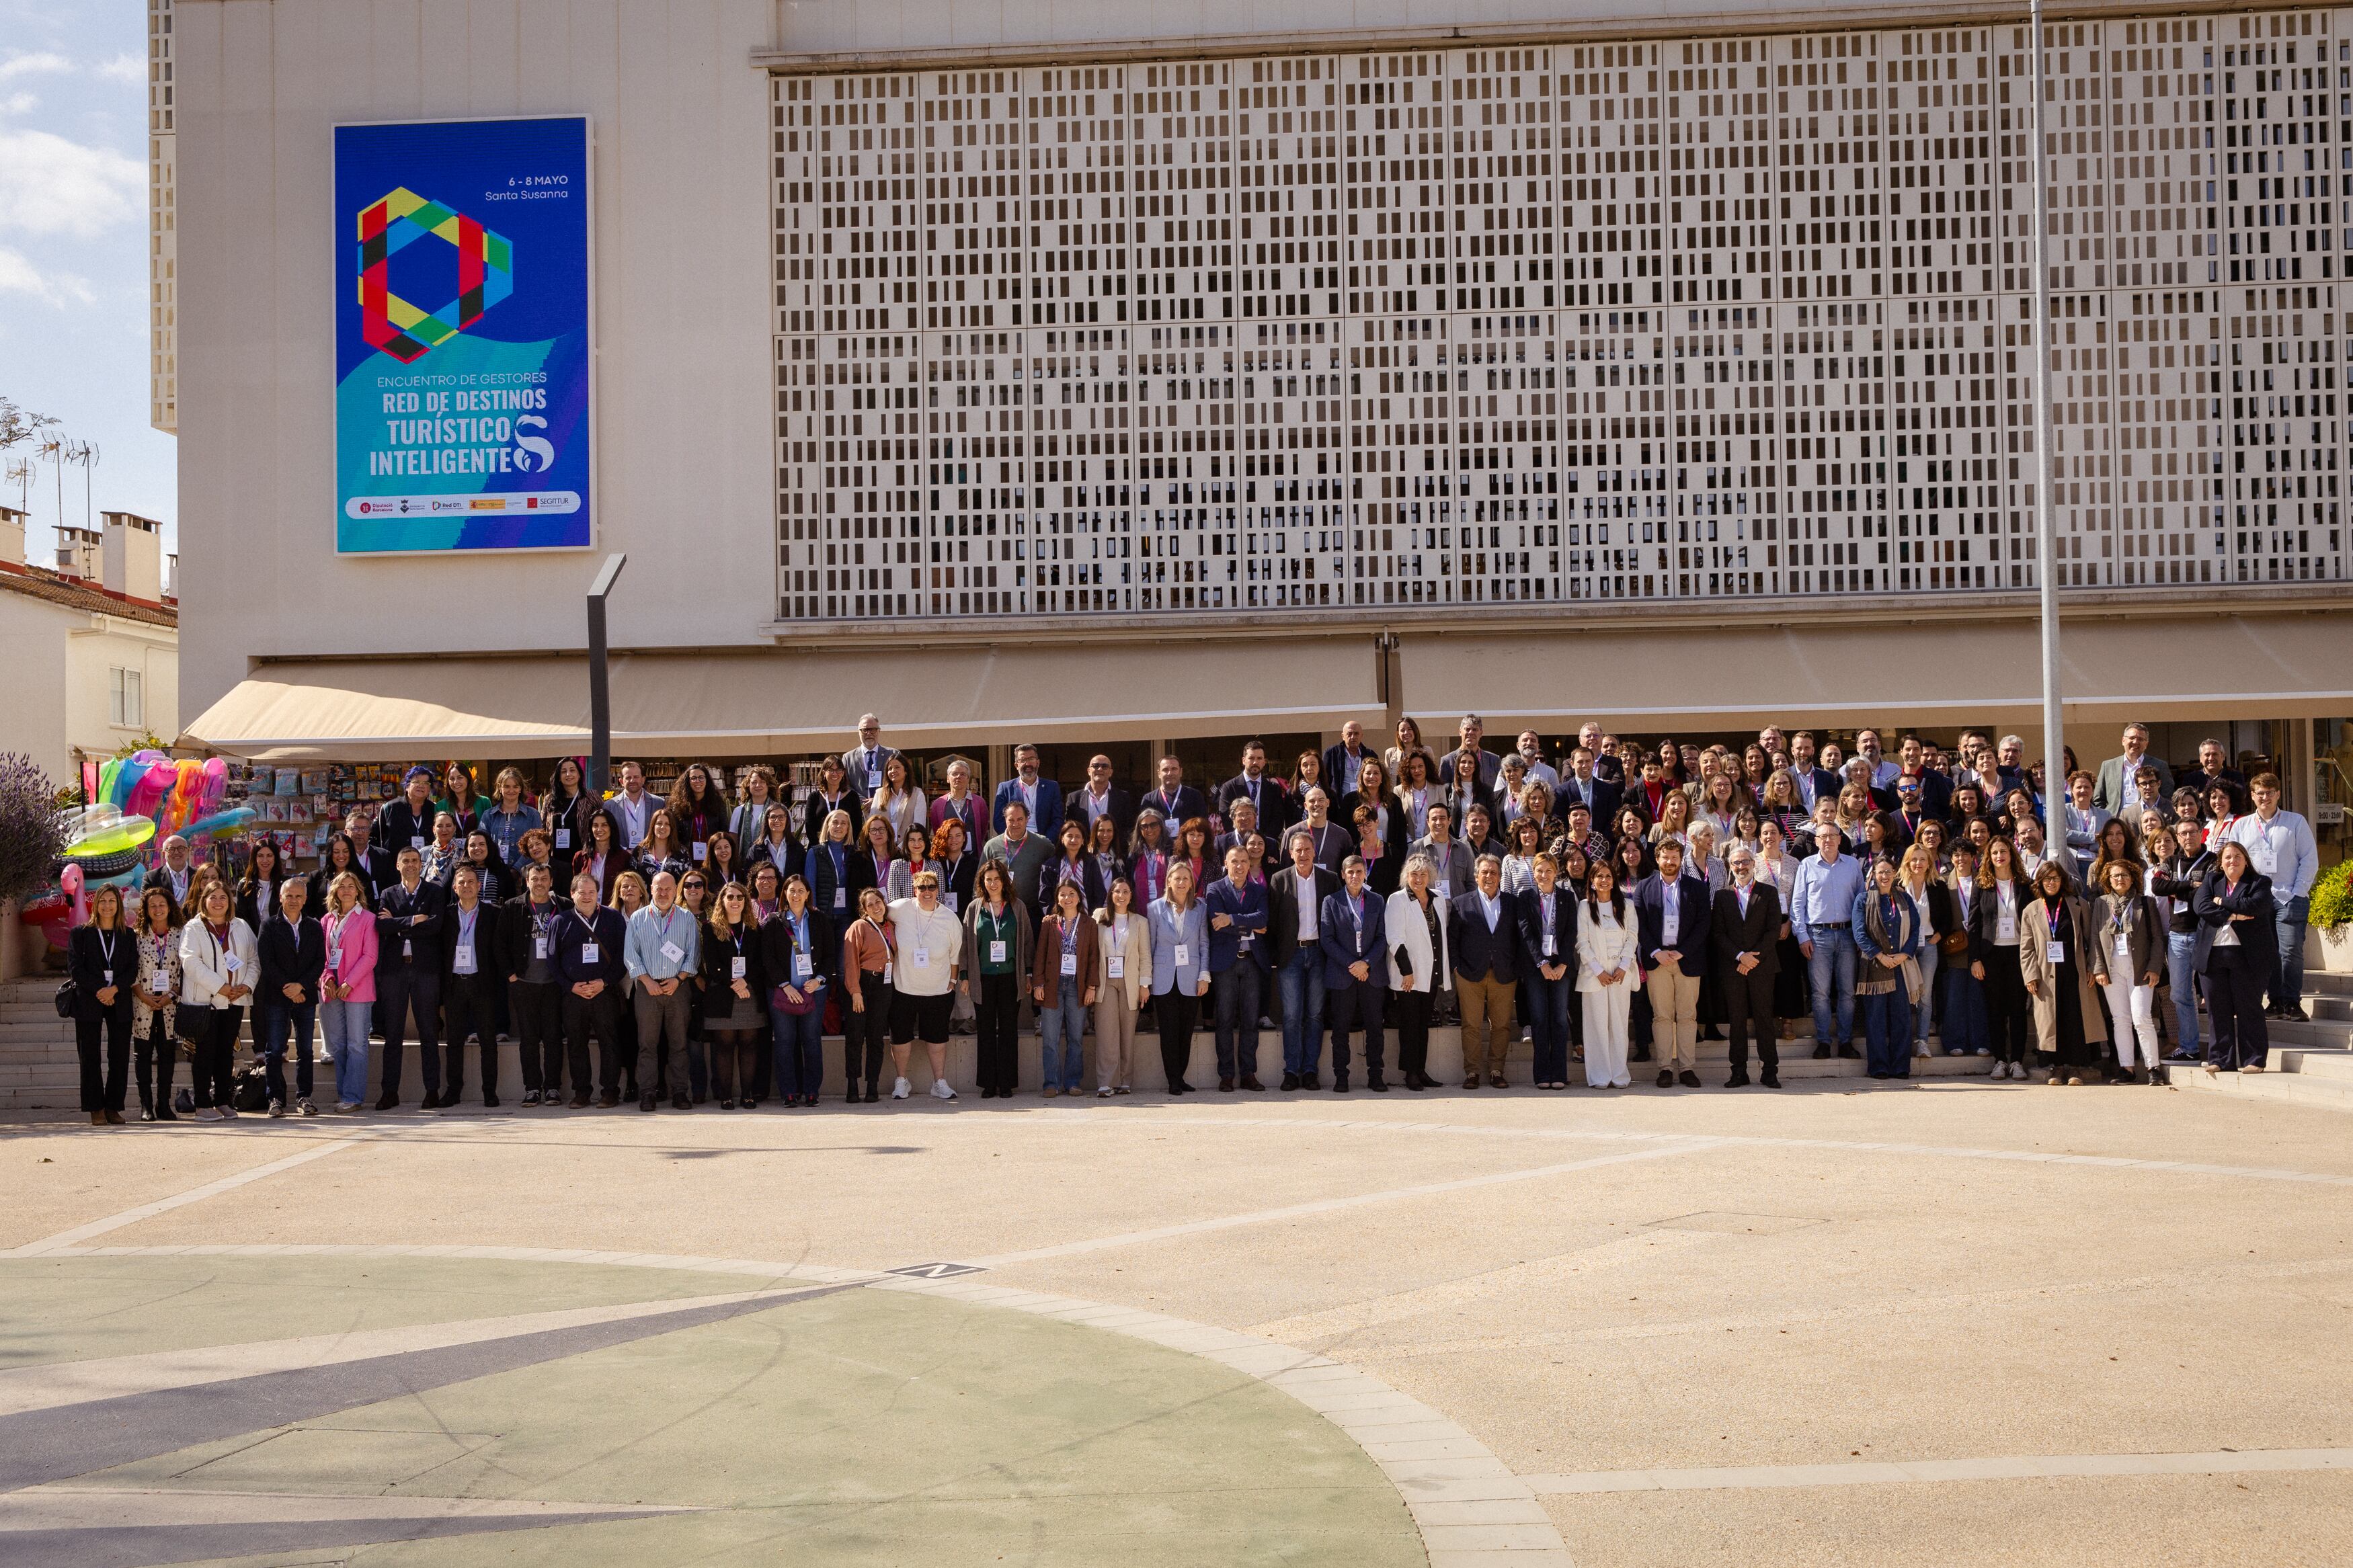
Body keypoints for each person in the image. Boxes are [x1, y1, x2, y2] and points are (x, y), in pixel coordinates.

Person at [2223, 773, 2319, 1021]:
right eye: (2259, 793)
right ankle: (2275, 1001)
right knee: (2267, 952)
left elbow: (2309, 859)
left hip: (2289, 896)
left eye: (2269, 792)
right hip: (2257, 899)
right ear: (2252, 796)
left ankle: (2292, 1002)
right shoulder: (2241, 826)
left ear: (2278, 794)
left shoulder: (2295, 822)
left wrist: (2298, 892)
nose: (2264, 797)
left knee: (2291, 951)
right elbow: (2233, 861)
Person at [2194, 841, 2277, 1075]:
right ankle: (2221, 1059)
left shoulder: (2260, 882)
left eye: (2237, 856)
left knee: (2248, 1007)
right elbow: (2201, 907)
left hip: (2247, 955)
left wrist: (2221, 902)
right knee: (2217, 1010)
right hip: (2213, 954)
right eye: (2228, 857)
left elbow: (2256, 905)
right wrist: (2236, 915)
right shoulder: (2212, 881)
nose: (2232, 861)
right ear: (2221, 862)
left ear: (2246, 860)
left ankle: (2255, 1059)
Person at [2020, 858, 2106, 1085]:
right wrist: (2030, 975)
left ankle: (2076, 1067)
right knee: (2053, 1021)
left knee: (2075, 1018)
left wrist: (2092, 968)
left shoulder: (2078, 905)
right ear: (2040, 881)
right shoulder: (2031, 910)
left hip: (2075, 972)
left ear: (2063, 881)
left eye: (2056, 878)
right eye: (2047, 878)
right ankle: (2057, 1068)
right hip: (2047, 975)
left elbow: (2092, 940)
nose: (2052, 882)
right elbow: (2026, 947)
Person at [1634, 837, 1711, 1088]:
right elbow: (1640, 926)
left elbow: (1704, 924)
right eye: (1665, 857)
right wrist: (1656, 951)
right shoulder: (1644, 888)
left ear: (1681, 859)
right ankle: (1665, 1068)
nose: (1670, 862)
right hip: (1657, 960)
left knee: (1688, 1016)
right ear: (1657, 859)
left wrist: (1683, 951)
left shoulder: (1696, 887)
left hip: (1687, 959)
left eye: (1674, 858)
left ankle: (1687, 1068)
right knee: (1662, 1016)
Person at [374, 845, 446, 1110]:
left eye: (415, 860)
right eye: (406, 861)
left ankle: (432, 1091)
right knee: (392, 1034)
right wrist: (415, 919)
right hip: (395, 970)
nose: (411, 865)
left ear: (421, 863)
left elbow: (435, 926)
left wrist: (399, 925)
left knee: (429, 1031)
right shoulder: (388, 894)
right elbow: (381, 926)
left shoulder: (435, 891)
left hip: (425, 969)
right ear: (397, 865)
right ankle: (389, 1092)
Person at [178, 880, 257, 1122]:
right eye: (213, 898)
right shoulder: (194, 928)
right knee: (204, 1053)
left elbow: (254, 959)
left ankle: (222, 1100)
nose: (218, 902)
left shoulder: (241, 926)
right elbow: (190, 963)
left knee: (225, 1054)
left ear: (230, 901)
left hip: (234, 1001)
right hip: (206, 1002)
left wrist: (247, 985)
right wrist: (220, 987)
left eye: (223, 897)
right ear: (204, 901)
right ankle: (202, 1105)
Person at [887, 868, 966, 1100]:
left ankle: (939, 1082)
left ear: (938, 890)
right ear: (915, 890)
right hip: (904, 987)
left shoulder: (949, 918)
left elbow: (955, 955)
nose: (927, 892)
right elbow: (878, 912)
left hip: (939, 990)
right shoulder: (901, 908)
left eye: (932, 887)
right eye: (922, 887)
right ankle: (902, 1081)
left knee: (938, 1038)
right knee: (900, 1038)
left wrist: (952, 982)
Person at [625, 870, 701, 1112]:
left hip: (678, 989)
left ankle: (680, 1092)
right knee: (647, 1044)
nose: (664, 893)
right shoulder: (637, 918)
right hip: (648, 990)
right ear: (651, 889)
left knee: (679, 1044)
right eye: (659, 888)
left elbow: (694, 955)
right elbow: (630, 955)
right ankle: (648, 1092)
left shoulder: (687, 918)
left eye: (669, 889)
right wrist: (647, 982)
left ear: (676, 890)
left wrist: (678, 979)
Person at [1268, 832, 1337, 1091]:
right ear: (1291, 853)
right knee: (1291, 1015)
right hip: (1291, 955)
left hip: (1319, 953)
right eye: (1298, 850)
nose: (1303, 854)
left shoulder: (1329, 880)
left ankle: (1310, 1071)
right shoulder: (1279, 879)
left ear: (1314, 851)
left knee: (1316, 1015)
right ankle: (1290, 1071)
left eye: (1308, 849)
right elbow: (1273, 923)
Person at [1790, 823, 1864, 1061]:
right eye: (1823, 836)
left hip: (1847, 934)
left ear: (1840, 839)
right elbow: (1798, 905)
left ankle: (1845, 1042)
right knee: (1820, 993)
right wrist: (1802, 936)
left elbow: (1861, 902)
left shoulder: (1852, 865)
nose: (1828, 840)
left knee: (1847, 992)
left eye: (1833, 836)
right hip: (1817, 936)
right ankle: (1823, 1041)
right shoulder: (1807, 866)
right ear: (1817, 840)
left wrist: (1860, 936)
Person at [555, 871, 628, 1108]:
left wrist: (604, 982)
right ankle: (581, 1093)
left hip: (604, 993)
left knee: (610, 1042)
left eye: (592, 892)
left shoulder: (613, 918)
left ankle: (610, 1092)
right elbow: (552, 961)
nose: (587, 897)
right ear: (572, 894)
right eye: (581, 892)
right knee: (576, 1044)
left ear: (599, 894)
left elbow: (622, 957)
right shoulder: (561, 921)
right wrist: (570, 986)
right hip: (573, 995)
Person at [2091, 858, 2166, 1084]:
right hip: (2112, 969)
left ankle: (2153, 1068)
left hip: (2140, 969)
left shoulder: (2145, 902)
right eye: (2115, 876)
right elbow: (2095, 937)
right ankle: (2128, 1069)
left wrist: (2154, 968)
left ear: (2133, 877)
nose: (2120, 879)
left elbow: (2157, 939)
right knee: (2120, 1020)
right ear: (2108, 880)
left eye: (2124, 875)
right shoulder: (2101, 903)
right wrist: (2099, 969)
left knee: (2142, 1018)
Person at [1712, 845, 1782, 1089]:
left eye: (1745, 862)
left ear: (1753, 864)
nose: (1741, 867)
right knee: (1737, 1020)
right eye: (1736, 863)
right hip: (1734, 967)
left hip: (1762, 967)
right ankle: (1738, 1071)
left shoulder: (1768, 892)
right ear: (1730, 866)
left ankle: (1770, 1071)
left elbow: (1774, 930)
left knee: (1764, 1018)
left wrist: (1753, 959)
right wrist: (1740, 956)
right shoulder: (1722, 896)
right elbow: (1718, 933)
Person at [1201, 844, 1269, 1091]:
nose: (1240, 866)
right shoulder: (1214, 889)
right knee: (1225, 1020)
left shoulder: (1260, 890)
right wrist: (1248, 923)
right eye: (1235, 862)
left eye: (1244, 861)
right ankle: (1227, 1074)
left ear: (1249, 864)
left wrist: (1231, 918)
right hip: (1225, 963)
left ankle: (1249, 1073)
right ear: (1226, 864)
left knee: (1251, 1020)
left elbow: (1263, 920)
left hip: (1252, 962)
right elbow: (1215, 923)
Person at [255, 878, 325, 1117]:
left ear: (305, 899)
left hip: (305, 996)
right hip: (277, 995)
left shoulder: (315, 926)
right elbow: (267, 962)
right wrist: (289, 988)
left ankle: (304, 1096)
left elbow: (319, 961)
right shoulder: (268, 925)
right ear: (281, 898)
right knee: (275, 1049)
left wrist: (301, 987)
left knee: (306, 1049)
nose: (293, 901)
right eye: (289, 896)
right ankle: (275, 1098)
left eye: (298, 897)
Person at [962, 860, 1032, 1098]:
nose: (993, 883)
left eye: (997, 878)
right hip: (983, 979)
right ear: (982, 882)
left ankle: (1007, 1083)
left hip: (1011, 978)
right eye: (988, 879)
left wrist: (1029, 973)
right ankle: (988, 1084)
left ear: (1005, 881)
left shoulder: (1017, 906)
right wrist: (964, 976)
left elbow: (1027, 942)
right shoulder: (974, 908)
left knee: (1009, 1031)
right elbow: (965, 945)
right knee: (986, 1031)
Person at [1853, 852, 1925, 1081]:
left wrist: (1904, 954)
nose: (1884, 876)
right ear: (1873, 874)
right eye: (1880, 872)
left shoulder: (1904, 899)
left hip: (1901, 966)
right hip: (1875, 966)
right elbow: (1859, 933)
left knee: (1902, 1018)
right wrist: (1880, 956)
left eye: (1889, 872)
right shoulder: (1863, 900)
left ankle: (1901, 1066)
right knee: (1875, 1019)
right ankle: (1879, 1067)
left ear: (1895, 874)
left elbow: (1915, 929)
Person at [1319, 855, 1388, 1092]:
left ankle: (1376, 1075)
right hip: (1342, 974)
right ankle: (1341, 1076)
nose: (1355, 877)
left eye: (1359, 872)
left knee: (1375, 1028)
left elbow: (1382, 937)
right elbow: (1327, 940)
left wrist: (1366, 963)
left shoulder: (1377, 901)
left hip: (1372, 974)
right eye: (1351, 872)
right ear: (1343, 874)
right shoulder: (1331, 901)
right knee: (1340, 1029)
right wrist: (1353, 965)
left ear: (1365, 874)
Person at [1451, 854, 1520, 1089]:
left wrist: (1516, 967)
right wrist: (1457, 967)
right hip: (1470, 974)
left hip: (1504, 973)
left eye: (1494, 872)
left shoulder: (1513, 903)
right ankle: (1472, 1072)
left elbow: (1518, 938)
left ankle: (1496, 1070)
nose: (1489, 876)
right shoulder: (1462, 903)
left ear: (1500, 877)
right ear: (1476, 876)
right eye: (1485, 872)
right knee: (1470, 1025)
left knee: (1501, 1025)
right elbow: (1453, 939)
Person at [69, 883, 135, 1126]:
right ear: (95, 904)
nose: (107, 906)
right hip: (90, 1000)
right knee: (90, 1056)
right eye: (103, 901)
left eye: (112, 901)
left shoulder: (129, 935)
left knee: (119, 1056)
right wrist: (100, 990)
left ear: (118, 905)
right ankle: (95, 1107)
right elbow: (76, 968)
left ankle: (113, 1107)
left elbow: (132, 969)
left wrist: (114, 989)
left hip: (119, 999)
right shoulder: (81, 934)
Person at [434, 866, 500, 1108]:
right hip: (455, 984)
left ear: (479, 886)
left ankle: (490, 1092)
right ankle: (453, 1091)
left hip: (482, 984)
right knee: (454, 1043)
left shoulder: (493, 913)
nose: (467, 886)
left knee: (487, 1042)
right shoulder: (446, 915)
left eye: (471, 882)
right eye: (462, 882)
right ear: (455, 887)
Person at [1385, 854, 1451, 1091]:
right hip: (1408, 975)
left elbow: (1440, 935)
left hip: (1431, 972)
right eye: (1414, 874)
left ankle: (1421, 1070)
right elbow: (1395, 939)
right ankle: (1410, 1073)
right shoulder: (1397, 900)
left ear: (1430, 876)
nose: (1419, 879)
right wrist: (1407, 971)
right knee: (1410, 1025)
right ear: (1406, 876)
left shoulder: (1438, 899)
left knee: (1424, 1024)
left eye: (1423, 874)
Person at [2151, 817, 2215, 1064]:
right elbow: (2158, 886)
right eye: (2183, 834)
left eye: (2192, 832)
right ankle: (2190, 1048)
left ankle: (2221, 1046)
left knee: (2211, 992)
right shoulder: (2170, 862)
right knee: (2180, 994)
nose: (2188, 837)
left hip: (2204, 933)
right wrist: (2189, 884)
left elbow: (2207, 891)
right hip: (2177, 935)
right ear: (2178, 838)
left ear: (2202, 834)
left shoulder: (2212, 862)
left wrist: (2176, 888)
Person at [1969, 835, 2034, 1079]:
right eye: (1995, 853)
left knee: (2017, 1008)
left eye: (2003, 852)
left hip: (2019, 952)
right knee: (1995, 1010)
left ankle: (2017, 1060)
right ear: (1989, 857)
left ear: (2011, 854)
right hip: (1991, 953)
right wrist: (1975, 959)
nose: (1999, 856)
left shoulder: (2025, 884)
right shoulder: (1982, 884)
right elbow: (1974, 925)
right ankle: (1999, 1060)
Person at [700, 881, 768, 1110]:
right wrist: (734, 982)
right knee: (724, 1047)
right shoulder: (710, 928)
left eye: (740, 898)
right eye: (730, 897)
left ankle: (747, 1094)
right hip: (722, 996)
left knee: (749, 1045)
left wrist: (745, 981)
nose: (735, 902)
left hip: (749, 993)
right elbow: (712, 964)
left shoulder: (754, 929)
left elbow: (760, 962)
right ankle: (726, 1095)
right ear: (722, 901)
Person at [503, 862, 567, 1107]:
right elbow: (500, 944)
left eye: (544, 879)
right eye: (534, 879)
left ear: (551, 882)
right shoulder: (513, 907)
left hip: (553, 984)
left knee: (553, 1037)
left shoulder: (563, 906)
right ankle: (531, 1088)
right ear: (526, 882)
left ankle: (552, 1087)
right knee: (528, 1039)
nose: (539, 883)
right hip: (524, 983)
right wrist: (511, 976)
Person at [1147, 859, 1212, 1094]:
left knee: (1186, 1031)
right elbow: (1149, 946)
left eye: (1186, 878)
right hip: (1164, 978)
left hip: (1191, 978)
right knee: (1169, 1031)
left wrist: (1204, 975)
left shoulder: (1201, 908)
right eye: (1177, 878)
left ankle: (1181, 1076)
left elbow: (1204, 944)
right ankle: (1172, 1079)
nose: (1182, 882)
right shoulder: (1154, 909)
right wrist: (1147, 979)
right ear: (1169, 882)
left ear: (1192, 883)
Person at [1516, 853, 1578, 1089]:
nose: (1544, 875)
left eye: (1548, 870)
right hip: (1535, 967)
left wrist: (1562, 963)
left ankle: (1559, 1074)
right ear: (1534, 873)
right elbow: (1525, 933)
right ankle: (1542, 1074)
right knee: (1540, 1019)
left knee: (1560, 1020)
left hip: (1561, 965)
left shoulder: (1566, 897)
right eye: (1540, 871)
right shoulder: (1525, 897)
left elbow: (1571, 931)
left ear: (1556, 872)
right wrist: (1541, 964)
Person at [1033, 878, 1100, 1098]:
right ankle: (1051, 1083)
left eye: (1071, 894)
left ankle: (1072, 1082)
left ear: (1079, 897)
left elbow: (1093, 958)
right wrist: (1038, 983)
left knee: (1076, 1038)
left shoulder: (1089, 923)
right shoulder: (1049, 922)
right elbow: (1040, 955)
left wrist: (1091, 986)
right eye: (1063, 894)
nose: (1067, 898)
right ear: (1058, 899)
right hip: (1052, 985)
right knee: (1050, 1039)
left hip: (1077, 986)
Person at [1577, 861, 1637, 1089]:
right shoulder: (1585, 907)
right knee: (1596, 1026)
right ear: (1592, 881)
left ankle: (1620, 1075)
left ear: (1614, 880)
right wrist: (1598, 970)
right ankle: (1600, 1076)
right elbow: (1582, 942)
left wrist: (1623, 965)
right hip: (1595, 975)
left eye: (1608, 876)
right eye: (1599, 876)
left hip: (1621, 973)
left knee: (1619, 1025)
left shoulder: (1627, 906)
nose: (1604, 880)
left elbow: (1632, 937)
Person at [128, 884, 185, 1120]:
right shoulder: (137, 935)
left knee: (167, 1053)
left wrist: (171, 994)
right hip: (143, 1002)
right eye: (153, 906)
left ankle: (164, 1104)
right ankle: (146, 1106)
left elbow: (186, 969)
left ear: (170, 907)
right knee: (143, 1053)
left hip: (170, 1003)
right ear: (146, 909)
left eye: (162, 904)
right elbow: (130, 968)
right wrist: (143, 995)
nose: (158, 909)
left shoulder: (181, 934)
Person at [1093, 877, 1151, 1096]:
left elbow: (1145, 956)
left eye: (1126, 892)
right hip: (1105, 979)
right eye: (1117, 891)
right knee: (1107, 1033)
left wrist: (1144, 984)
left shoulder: (1140, 922)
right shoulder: (1099, 917)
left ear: (1131, 896)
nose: (1122, 895)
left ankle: (1125, 1081)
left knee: (1127, 1032)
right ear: (1111, 894)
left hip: (1130, 981)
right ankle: (1106, 1083)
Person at [840, 885, 895, 1104]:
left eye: (878, 902)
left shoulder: (891, 927)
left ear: (884, 903)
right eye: (870, 904)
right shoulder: (859, 927)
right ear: (864, 909)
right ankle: (852, 1086)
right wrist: (855, 991)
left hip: (884, 985)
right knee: (855, 1037)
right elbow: (851, 961)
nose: (875, 907)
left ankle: (872, 1086)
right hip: (862, 983)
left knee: (876, 1038)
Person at [983, 800, 1052, 927]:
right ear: (1005, 820)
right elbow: (980, 880)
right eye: (1011, 820)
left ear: (1027, 819)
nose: (1015, 824)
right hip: (1000, 912)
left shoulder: (1043, 845)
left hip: (1032, 912)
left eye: (1020, 819)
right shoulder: (991, 846)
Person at [2093, 723, 2176, 816]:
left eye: (2141, 739)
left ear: (2146, 744)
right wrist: (2105, 819)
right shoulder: (2108, 766)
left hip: (2147, 820)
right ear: (2123, 740)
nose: (2136, 742)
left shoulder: (2160, 766)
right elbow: (2099, 800)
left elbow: (2168, 796)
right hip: (2115, 821)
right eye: (2132, 738)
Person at [1217, 738, 1291, 835]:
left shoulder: (1273, 789)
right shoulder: (1229, 787)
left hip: (1266, 844)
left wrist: (1262, 841)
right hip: (1239, 845)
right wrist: (1242, 840)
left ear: (1264, 762)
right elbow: (1226, 818)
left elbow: (1278, 820)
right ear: (1244, 761)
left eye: (1259, 758)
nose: (1255, 762)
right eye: (1251, 758)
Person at [1065, 753, 1135, 843]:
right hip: (1083, 851)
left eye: (1105, 767)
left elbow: (1129, 827)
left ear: (1111, 772)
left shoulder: (1123, 797)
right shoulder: (1074, 798)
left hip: (1113, 852)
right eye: (1096, 766)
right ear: (1089, 771)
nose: (1100, 769)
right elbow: (1069, 828)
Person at [802, 754, 864, 849]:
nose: (835, 774)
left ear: (843, 773)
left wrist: (843, 847)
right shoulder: (814, 797)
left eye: (838, 770)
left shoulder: (852, 797)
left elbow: (857, 826)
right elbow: (810, 827)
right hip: (819, 849)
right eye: (831, 770)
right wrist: (821, 848)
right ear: (824, 773)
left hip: (845, 849)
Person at [728, 764, 782, 866]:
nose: (758, 785)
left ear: (768, 785)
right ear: (748, 786)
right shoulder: (739, 811)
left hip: (773, 864)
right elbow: (733, 841)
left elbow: (788, 837)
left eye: (762, 782)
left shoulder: (780, 811)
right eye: (754, 782)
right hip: (744, 864)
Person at [869, 752, 928, 843]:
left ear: (906, 771)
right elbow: (872, 823)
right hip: (883, 848)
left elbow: (918, 827)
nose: (893, 771)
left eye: (897, 767)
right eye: (890, 769)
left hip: (907, 848)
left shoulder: (917, 794)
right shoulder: (879, 794)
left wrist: (901, 848)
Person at [572, 806, 627, 905]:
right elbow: (575, 887)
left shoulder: (623, 857)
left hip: (612, 909)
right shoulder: (580, 857)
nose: (599, 829)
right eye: (595, 826)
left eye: (604, 825)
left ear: (611, 827)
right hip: (586, 909)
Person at [930, 757, 988, 849]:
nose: (958, 777)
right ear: (948, 779)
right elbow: (937, 830)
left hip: (973, 856)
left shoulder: (979, 803)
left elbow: (983, 830)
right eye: (955, 774)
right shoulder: (938, 804)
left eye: (963, 774)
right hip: (947, 857)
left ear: (968, 779)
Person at [1438, 712, 1501, 792]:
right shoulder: (1447, 761)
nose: (1471, 733)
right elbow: (1442, 792)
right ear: (1460, 732)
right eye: (1467, 729)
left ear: (1481, 733)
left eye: (1475, 729)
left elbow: (1500, 791)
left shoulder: (1494, 760)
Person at [235, 837, 286, 933]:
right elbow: (242, 918)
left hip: (279, 938)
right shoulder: (245, 885)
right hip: (253, 938)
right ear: (255, 858)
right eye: (261, 856)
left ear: (275, 858)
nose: (265, 860)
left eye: (269, 855)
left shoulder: (285, 884)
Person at [844, 714, 900, 799]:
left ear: (879, 731)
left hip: (886, 807)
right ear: (859, 732)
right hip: (859, 809)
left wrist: (877, 800)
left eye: (873, 730)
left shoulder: (893, 754)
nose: (869, 733)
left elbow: (899, 781)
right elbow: (845, 785)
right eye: (864, 730)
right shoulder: (848, 758)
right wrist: (863, 802)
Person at [145, 833, 198, 909]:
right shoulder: (152, 877)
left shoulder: (199, 874)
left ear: (188, 851)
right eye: (171, 849)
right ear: (164, 854)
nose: (176, 852)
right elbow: (145, 907)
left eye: (181, 848)